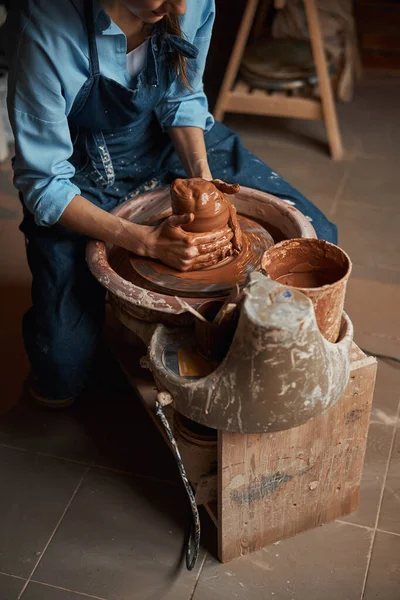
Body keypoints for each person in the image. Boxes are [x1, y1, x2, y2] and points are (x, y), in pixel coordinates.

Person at [7, 0, 337, 407]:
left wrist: (201, 178)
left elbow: (181, 97)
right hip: (80, 173)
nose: (180, 5)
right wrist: (144, 242)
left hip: (164, 142)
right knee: (60, 369)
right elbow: (43, 182)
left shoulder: (189, 2)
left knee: (317, 238)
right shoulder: (45, 30)